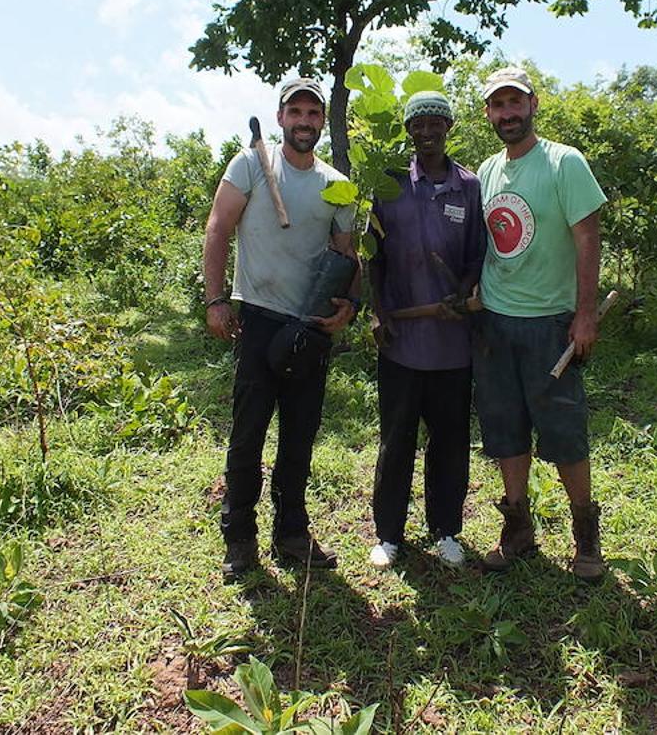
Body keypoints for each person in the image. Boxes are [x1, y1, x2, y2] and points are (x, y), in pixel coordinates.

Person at [201, 76, 359, 577]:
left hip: (310, 327)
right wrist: (216, 299)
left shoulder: (336, 185)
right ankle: (239, 538)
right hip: (259, 320)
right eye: (297, 112)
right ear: (280, 118)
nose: (306, 122)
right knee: (248, 435)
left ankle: (291, 533)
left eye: (314, 114)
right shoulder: (251, 164)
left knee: (300, 436)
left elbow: (347, 256)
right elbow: (218, 228)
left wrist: (347, 307)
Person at [474, 66, 608, 581]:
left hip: (551, 324)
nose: (507, 113)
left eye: (515, 102)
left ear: (533, 105)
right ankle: (519, 529)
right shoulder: (487, 172)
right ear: (488, 113)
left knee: (565, 432)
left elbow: (587, 239)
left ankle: (585, 535)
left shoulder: (563, 163)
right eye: (498, 105)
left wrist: (585, 313)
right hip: (495, 325)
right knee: (506, 429)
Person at [366, 91, 486, 569]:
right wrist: (377, 312)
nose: (427, 132)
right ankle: (388, 535)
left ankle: (446, 531)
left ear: (449, 127)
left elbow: (478, 253)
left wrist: (464, 288)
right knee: (396, 439)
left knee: (451, 441)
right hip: (400, 339)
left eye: (436, 123)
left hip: (453, 344)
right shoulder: (390, 186)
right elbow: (372, 255)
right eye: (418, 125)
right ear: (409, 131)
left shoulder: (468, 186)